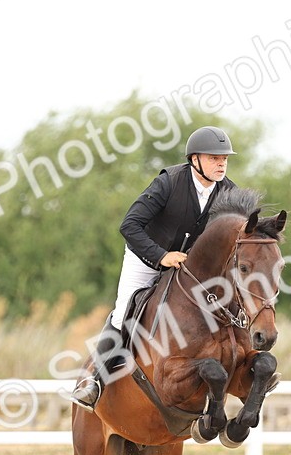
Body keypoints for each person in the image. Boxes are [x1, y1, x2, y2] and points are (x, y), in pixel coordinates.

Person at [70, 126, 239, 410]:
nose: (221, 163)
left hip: (188, 268)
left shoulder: (229, 192)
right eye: (214, 157)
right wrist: (161, 256)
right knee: (125, 308)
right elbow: (130, 225)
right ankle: (94, 381)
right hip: (146, 257)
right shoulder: (169, 182)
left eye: (224, 158)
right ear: (195, 159)